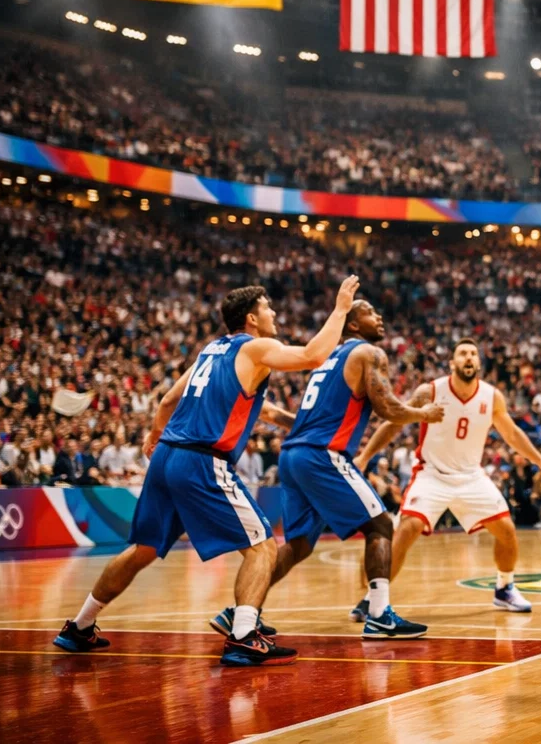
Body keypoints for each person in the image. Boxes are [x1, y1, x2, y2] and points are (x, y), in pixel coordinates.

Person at [53, 276, 360, 668]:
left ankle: (79, 626)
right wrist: (340, 308)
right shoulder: (256, 347)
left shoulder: (211, 352)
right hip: (201, 460)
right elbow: (314, 356)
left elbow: (168, 401)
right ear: (252, 318)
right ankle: (245, 636)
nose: (276, 314)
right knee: (263, 546)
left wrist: (154, 437)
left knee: (141, 551)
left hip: (168, 455)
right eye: (269, 308)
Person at [237, 300, 445, 642]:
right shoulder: (368, 353)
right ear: (352, 325)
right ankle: (378, 615)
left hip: (293, 455)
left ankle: (244, 608)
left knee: (299, 544)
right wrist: (423, 414)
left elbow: (302, 419)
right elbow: (388, 407)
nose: (379, 317)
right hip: (322, 454)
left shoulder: (327, 361)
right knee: (380, 524)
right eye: (370, 313)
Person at [351, 338, 541, 618]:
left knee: (508, 532)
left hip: (471, 476)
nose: (469, 358)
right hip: (432, 474)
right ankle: (373, 599)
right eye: (462, 353)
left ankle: (504, 588)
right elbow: (394, 424)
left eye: (473, 354)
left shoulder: (492, 396)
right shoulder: (430, 391)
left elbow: (512, 434)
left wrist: (539, 460)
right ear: (452, 363)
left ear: (478, 362)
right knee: (407, 529)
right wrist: (365, 457)